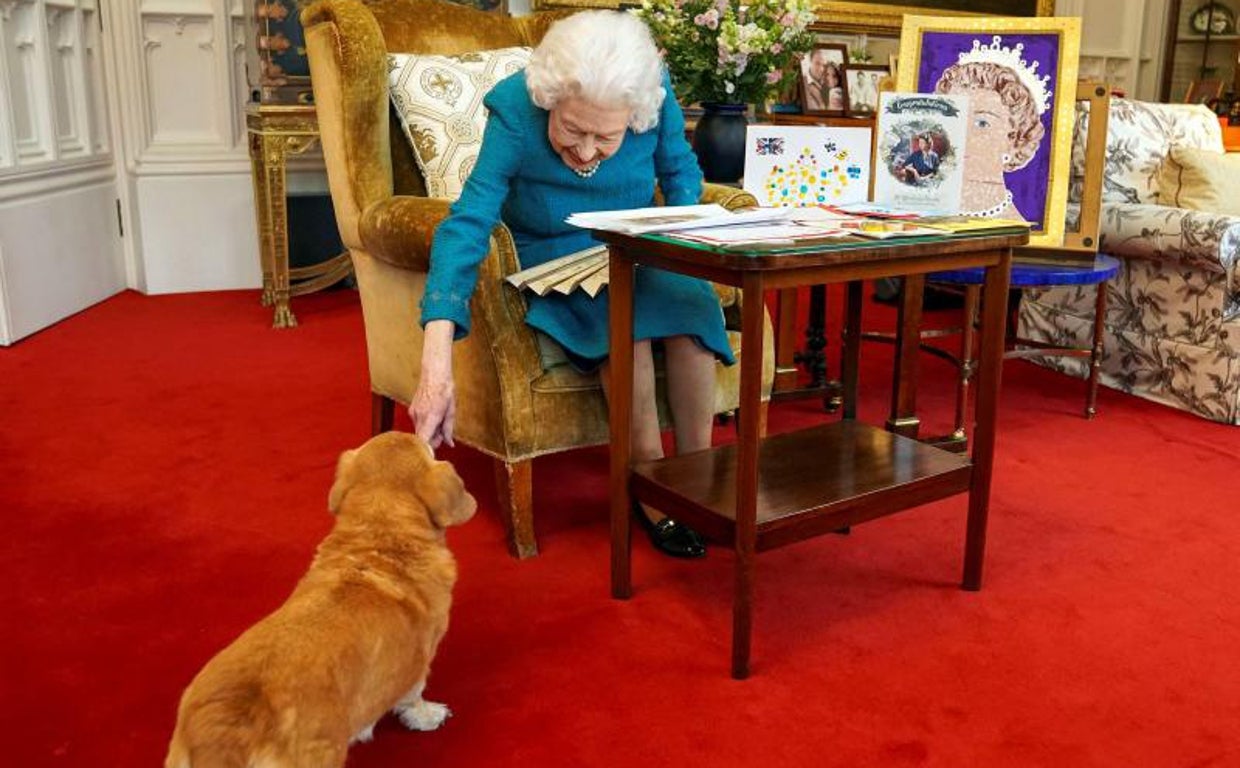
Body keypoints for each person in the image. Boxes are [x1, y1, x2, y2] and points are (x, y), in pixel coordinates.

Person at [412, 11, 731, 559]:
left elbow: (680, 177)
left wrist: (685, 246)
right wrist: (436, 351)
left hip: (638, 243)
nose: (586, 152)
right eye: (572, 130)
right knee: (624, 332)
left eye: (606, 137)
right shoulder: (515, 106)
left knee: (692, 323)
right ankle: (650, 487)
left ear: (634, 113)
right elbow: (469, 220)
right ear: (550, 100)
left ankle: (695, 481)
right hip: (553, 252)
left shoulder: (653, 95)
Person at [935, 46, 1047, 220]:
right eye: (953, 120)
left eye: (981, 123)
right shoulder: (921, 214)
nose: (961, 135)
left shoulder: (1013, 228)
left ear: (1015, 140)